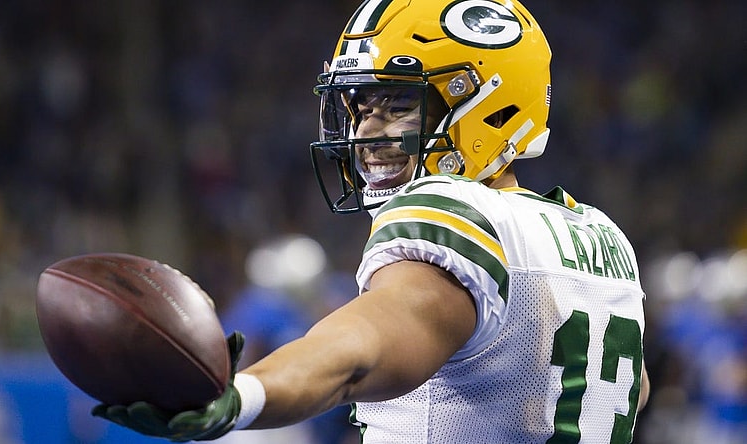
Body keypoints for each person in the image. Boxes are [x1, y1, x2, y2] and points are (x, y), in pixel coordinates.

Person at [92, 0, 651, 442]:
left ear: (491, 105)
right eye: (360, 107)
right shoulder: (601, 236)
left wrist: (242, 396)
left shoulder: (451, 213)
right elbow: (624, 385)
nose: (365, 132)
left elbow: (358, 352)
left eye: (398, 105)